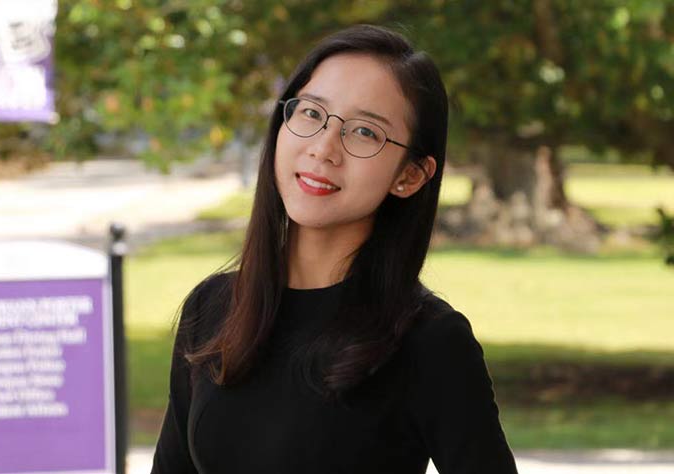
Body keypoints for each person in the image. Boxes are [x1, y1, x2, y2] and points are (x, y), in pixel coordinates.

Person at [151, 24, 519, 474]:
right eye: (310, 113)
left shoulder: (430, 342)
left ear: (410, 176)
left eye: (365, 132)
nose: (323, 148)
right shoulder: (211, 310)